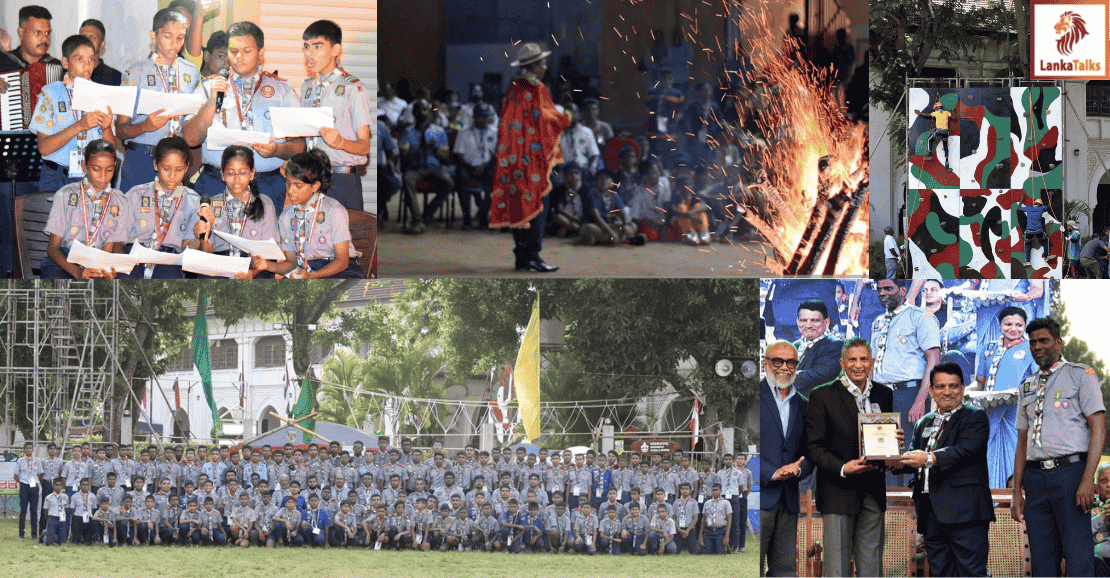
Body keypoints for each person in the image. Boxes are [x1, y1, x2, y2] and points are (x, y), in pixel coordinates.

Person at [1012, 317, 1105, 577]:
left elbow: (1098, 429)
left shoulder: (1080, 375)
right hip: (1035, 478)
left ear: (1058, 342)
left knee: (1078, 556)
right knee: (1042, 559)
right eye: (1032, 342)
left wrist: (1088, 478)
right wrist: (1016, 491)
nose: (1037, 347)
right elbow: (1022, 443)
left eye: (1043, 340)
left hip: (1071, 475)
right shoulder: (1026, 386)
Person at [183, 21, 305, 209]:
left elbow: (299, 146)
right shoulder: (209, 86)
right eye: (233, 51)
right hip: (217, 181)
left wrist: (276, 151)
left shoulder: (282, 90)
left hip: (265, 184)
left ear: (261, 53)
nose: (239, 57)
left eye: (247, 51)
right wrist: (212, 101)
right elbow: (190, 139)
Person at [805, 338, 899, 577]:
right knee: (836, 568)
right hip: (838, 492)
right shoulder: (822, 395)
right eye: (852, 359)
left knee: (871, 567)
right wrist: (843, 467)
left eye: (864, 359)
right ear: (842, 363)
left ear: (872, 362)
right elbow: (814, 447)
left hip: (873, 491)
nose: (858, 365)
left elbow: (885, 440)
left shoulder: (884, 394)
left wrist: (895, 444)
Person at [892, 362, 994, 576]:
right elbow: (914, 459)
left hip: (966, 515)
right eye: (940, 386)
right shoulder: (923, 422)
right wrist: (891, 456)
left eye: (953, 386)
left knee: (972, 573)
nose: (947, 392)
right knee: (940, 573)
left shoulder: (975, 417)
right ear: (930, 390)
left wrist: (928, 457)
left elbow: (963, 451)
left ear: (963, 388)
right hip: (931, 515)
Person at [490, 42, 571, 272]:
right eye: (542, 64)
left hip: (513, 157)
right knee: (538, 204)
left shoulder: (513, 89)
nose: (545, 67)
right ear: (535, 67)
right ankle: (533, 255)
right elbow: (549, 120)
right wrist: (567, 116)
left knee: (519, 204)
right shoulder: (537, 89)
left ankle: (521, 255)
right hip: (532, 159)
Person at [116, 8, 200, 192]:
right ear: (154, 36)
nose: (174, 44)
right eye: (168, 36)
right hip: (141, 158)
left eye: (180, 38)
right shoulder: (134, 72)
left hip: (176, 163)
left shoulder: (191, 71)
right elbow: (120, 130)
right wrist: (144, 126)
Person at [251, 149, 363, 279]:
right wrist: (266, 265)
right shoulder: (287, 216)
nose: (290, 191)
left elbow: (342, 261)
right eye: (288, 183)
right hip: (306, 269)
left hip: (341, 271)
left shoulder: (334, 210)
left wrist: (311, 276)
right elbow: (292, 264)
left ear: (315, 186)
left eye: (298, 186)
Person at [299, 20, 371, 211]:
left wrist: (340, 142)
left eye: (317, 46)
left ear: (336, 50)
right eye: (306, 47)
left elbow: (364, 147)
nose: (309, 53)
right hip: (310, 178)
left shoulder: (353, 88)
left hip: (340, 180)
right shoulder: (307, 88)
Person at [30, 34, 117, 192]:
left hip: (91, 177)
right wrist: (79, 126)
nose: (87, 65)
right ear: (65, 62)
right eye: (79, 59)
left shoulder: (102, 94)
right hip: (56, 176)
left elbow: (111, 148)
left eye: (91, 59)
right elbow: (44, 148)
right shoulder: (51, 93)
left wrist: (106, 129)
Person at [760, 341, 813, 575]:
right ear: (765, 363)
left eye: (791, 362)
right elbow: (741, 448)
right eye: (777, 361)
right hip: (759, 497)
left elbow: (811, 451)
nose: (784, 367)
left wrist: (799, 469)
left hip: (789, 501)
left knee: (785, 571)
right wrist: (772, 473)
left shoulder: (804, 405)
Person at [40, 139, 126, 279]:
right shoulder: (66, 195)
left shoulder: (120, 200)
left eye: (109, 170)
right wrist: (77, 272)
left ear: (115, 166)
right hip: (66, 262)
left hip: (101, 261)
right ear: (84, 166)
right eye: (96, 169)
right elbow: (53, 249)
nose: (103, 176)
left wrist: (113, 267)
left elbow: (117, 246)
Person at [121, 136, 203, 279]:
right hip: (135, 258)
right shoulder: (136, 194)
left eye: (179, 169)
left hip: (169, 262)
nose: (172, 175)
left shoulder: (193, 200)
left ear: (186, 168)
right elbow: (120, 238)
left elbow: (188, 247)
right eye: (166, 168)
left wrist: (199, 237)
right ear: (155, 165)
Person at [973, 306, 1036, 489]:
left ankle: (1014, 497)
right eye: (1008, 324)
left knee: (1015, 455)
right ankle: (991, 499)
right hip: (990, 414)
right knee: (988, 457)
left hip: (1016, 415)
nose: (1013, 329)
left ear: (1025, 326)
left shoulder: (1031, 349)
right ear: (1000, 325)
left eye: (1019, 325)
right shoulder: (988, 348)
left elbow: (1037, 382)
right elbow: (980, 382)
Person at [192, 145, 277, 278]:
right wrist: (204, 236)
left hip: (253, 266)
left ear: (252, 174)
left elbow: (269, 255)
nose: (236, 179)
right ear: (223, 175)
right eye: (230, 173)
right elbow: (207, 254)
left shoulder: (265, 203)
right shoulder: (212, 205)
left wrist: (252, 272)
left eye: (242, 173)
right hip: (220, 265)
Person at [871, 279, 941, 427]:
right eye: (879, 289)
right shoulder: (878, 321)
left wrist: (920, 400)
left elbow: (933, 361)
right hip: (880, 394)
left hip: (908, 394)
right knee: (881, 441)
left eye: (888, 288)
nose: (882, 293)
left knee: (908, 441)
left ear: (903, 290)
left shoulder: (921, 316)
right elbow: (872, 362)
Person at [397, 98, 453, 234]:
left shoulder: (439, 131)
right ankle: (417, 221)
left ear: (429, 111)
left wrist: (434, 149)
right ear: (414, 113)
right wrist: (423, 149)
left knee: (449, 183)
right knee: (407, 180)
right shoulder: (407, 132)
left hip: (435, 168)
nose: (421, 112)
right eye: (418, 110)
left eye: (424, 109)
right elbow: (404, 158)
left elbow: (446, 158)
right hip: (415, 168)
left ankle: (426, 215)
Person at [453, 102, 498, 230]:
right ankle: (466, 218)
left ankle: (483, 216)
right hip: (468, 166)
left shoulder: (495, 132)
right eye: (481, 116)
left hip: (487, 166)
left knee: (495, 180)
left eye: (486, 116)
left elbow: (497, 153)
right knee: (461, 178)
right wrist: (472, 167)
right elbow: (459, 155)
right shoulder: (464, 132)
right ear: (474, 117)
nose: (484, 119)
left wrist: (485, 166)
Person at [793, 300, 844, 398]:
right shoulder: (796, 345)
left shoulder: (835, 345)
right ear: (797, 322)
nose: (808, 325)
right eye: (803, 320)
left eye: (814, 320)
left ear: (827, 322)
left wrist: (780, 377)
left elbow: (817, 375)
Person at [580, 169, 639, 246]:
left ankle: (603, 240)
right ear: (595, 182)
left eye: (606, 178)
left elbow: (622, 214)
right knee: (588, 228)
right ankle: (619, 239)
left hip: (610, 226)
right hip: (598, 226)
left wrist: (626, 225)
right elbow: (597, 217)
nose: (604, 181)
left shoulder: (614, 196)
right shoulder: (592, 194)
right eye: (600, 178)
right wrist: (611, 233)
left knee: (633, 226)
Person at [78, 19, 121, 86]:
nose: (87, 41)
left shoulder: (116, 78)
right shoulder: (68, 72)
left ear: (102, 45)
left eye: (92, 37)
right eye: (83, 37)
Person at [15, 442, 43, 541]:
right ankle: (21, 534)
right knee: (23, 510)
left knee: (34, 511)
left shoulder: (37, 461)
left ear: (32, 449)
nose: (29, 450)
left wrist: (34, 482)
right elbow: (15, 476)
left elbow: (40, 474)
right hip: (24, 486)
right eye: (27, 448)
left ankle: (34, 534)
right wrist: (23, 482)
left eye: (30, 448)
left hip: (34, 486)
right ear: (24, 449)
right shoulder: (20, 461)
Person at [914, 101, 954, 170]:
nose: (935, 110)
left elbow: (927, 115)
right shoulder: (946, 112)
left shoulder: (936, 113)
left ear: (937, 108)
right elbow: (954, 117)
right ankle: (947, 162)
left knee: (929, 140)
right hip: (945, 132)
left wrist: (919, 113)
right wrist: (953, 110)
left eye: (935, 109)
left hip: (939, 131)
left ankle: (930, 154)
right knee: (945, 146)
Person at [1021, 199, 1051, 265]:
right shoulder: (1041, 208)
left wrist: (1022, 199)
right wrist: (1050, 196)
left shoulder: (1028, 208)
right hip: (1038, 230)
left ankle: (1028, 261)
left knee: (1027, 244)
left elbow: (1018, 208)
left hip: (1029, 231)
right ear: (1040, 204)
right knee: (1045, 240)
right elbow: (1049, 207)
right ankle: (1046, 256)